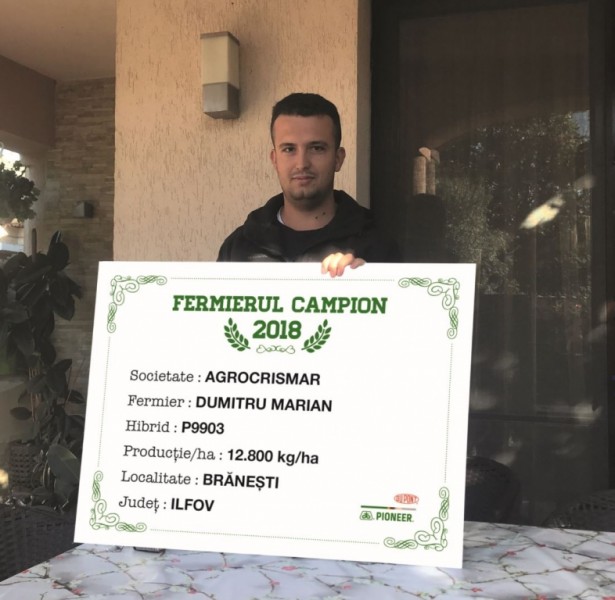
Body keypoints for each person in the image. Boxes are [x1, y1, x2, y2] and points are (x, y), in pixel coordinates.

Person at [217, 92, 399, 276]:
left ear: (338, 159)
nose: (302, 163)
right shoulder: (237, 248)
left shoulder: (378, 246)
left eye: (316, 148)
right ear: (275, 160)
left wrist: (366, 281)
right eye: (289, 149)